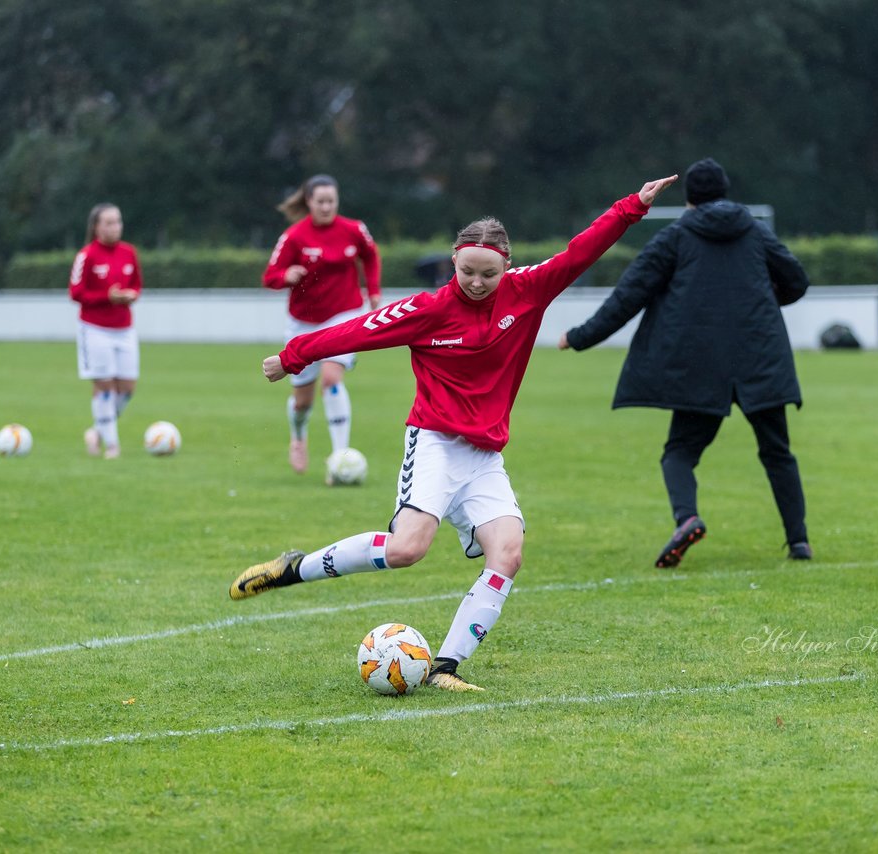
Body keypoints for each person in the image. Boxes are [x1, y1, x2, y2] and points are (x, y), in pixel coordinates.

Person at [230, 174, 679, 692]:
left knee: (508, 553)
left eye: (488, 274)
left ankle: (445, 667)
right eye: (467, 271)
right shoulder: (430, 309)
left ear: (506, 266)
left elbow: (580, 252)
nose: (477, 282)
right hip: (436, 442)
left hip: (485, 455)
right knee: (407, 550)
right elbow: (359, 328)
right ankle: (293, 568)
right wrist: (292, 357)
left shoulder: (529, 291)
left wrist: (632, 206)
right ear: (454, 263)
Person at [559, 158, 813, 567]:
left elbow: (630, 294)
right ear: (725, 192)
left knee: (679, 451)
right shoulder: (755, 231)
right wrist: (762, 301)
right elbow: (797, 281)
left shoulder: (676, 236)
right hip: (760, 355)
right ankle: (799, 542)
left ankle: (687, 517)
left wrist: (579, 336)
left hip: (700, 362)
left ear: (690, 199)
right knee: (777, 451)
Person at [263, 175, 382, 480]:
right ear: (309, 203)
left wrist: (374, 292)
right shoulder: (294, 236)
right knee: (303, 400)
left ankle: (339, 458)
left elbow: (371, 256)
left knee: (331, 376)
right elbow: (270, 276)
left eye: (332, 201)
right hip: (303, 322)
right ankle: (298, 436)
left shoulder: (354, 230)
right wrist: (286, 275)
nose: (327, 206)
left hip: (344, 315)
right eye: (321, 201)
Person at [69, 203, 142, 459]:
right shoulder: (86, 255)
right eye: (109, 222)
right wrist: (106, 297)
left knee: (127, 388)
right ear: (96, 227)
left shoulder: (129, 253)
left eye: (118, 221)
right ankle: (112, 446)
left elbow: (137, 286)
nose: (115, 227)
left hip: (124, 329)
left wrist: (129, 296)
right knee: (106, 386)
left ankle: (97, 432)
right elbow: (76, 293)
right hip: (95, 329)